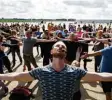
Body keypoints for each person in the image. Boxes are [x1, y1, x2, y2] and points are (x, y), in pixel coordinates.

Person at [0, 41, 112, 100]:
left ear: (66, 53)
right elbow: (17, 76)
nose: (60, 47)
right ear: (51, 51)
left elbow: (101, 76)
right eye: (57, 45)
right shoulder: (41, 71)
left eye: (63, 47)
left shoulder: (75, 71)